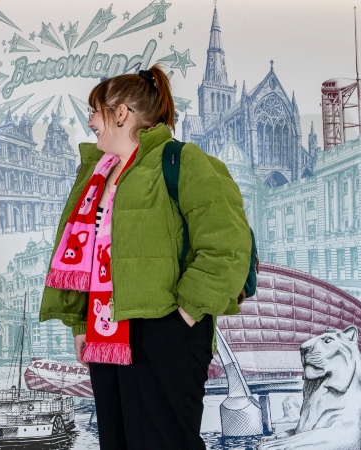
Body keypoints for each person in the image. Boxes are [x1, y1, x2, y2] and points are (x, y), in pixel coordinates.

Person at [39, 64, 252, 450]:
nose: (90, 122)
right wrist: (80, 323)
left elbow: (227, 246)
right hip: (107, 331)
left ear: (120, 113)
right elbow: (86, 257)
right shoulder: (95, 175)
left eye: (95, 111)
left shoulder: (183, 162)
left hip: (166, 330)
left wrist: (183, 316)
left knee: (167, 443)